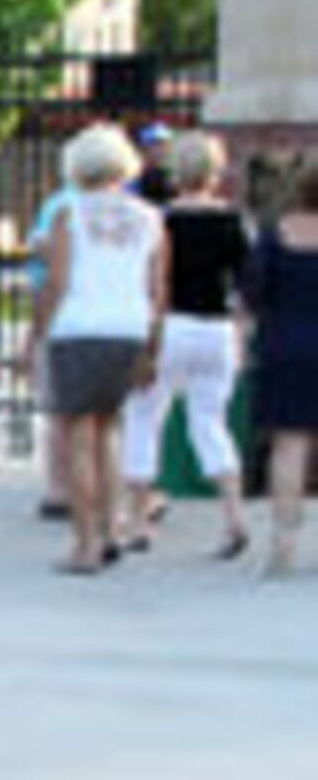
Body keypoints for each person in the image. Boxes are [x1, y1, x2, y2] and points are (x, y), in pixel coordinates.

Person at [29, 123, 167, 576]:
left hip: (79, 328)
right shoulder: (150, 218)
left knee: (79, 437)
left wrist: (37, 331)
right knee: (109, 431)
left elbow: (58, 280)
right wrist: (152, 346)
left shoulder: (70, 215)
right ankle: (112, 529)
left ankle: (85, 542)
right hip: (129, 329)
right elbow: (158, 289)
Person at [119, 130, 254, 558]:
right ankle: (234, 518)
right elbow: (245, 285)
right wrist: (244, 334)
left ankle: (139, 521)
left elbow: (146, 280)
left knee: (144, 418)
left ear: (176, 172)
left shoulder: (160, 220)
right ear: (216, 174)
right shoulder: (233, 221)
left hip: (169, 325)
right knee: (210, 424)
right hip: (216, 329)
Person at [249, 157, 318, 577]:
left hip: (286, 345)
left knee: (288, 446)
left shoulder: (276, 236)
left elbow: (253, 293)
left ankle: (282, 543)